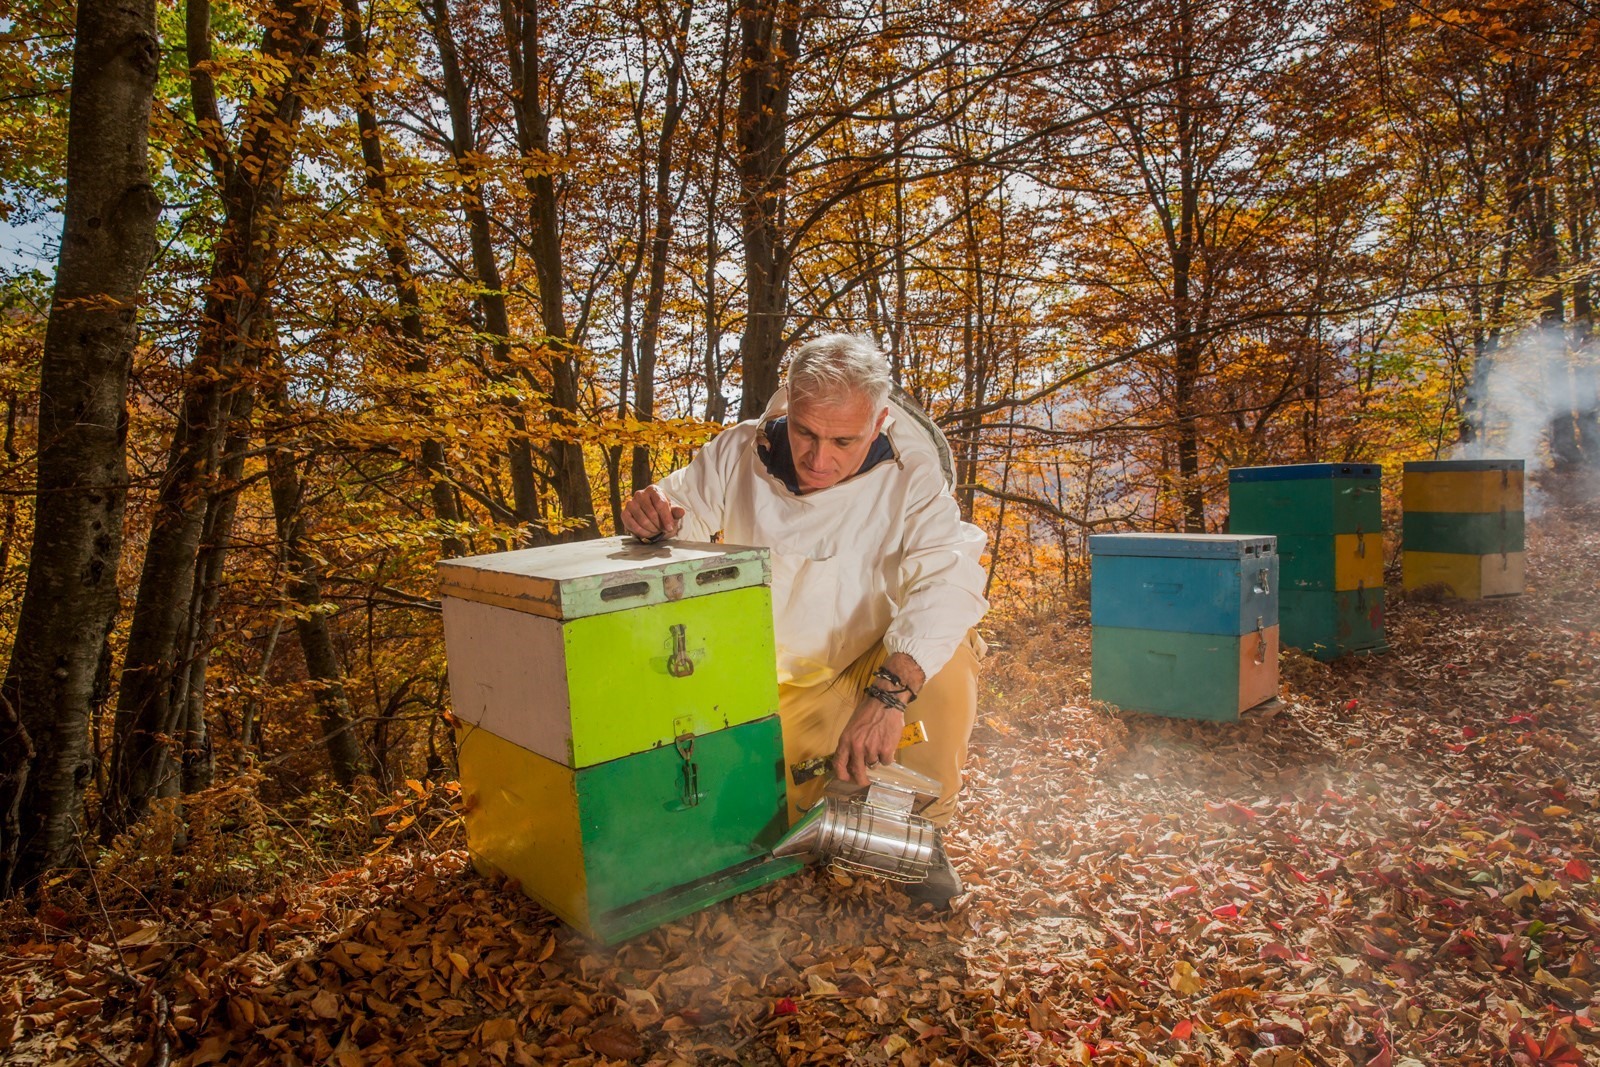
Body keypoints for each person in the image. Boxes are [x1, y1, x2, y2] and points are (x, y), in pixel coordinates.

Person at [620, 334, 988, 908]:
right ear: (788, 407)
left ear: (880, 421)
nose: (820, 459)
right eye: (806, 433)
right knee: (756, 818)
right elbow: (677, 514)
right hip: (772, 683)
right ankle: (829, 810)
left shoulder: (913, 473)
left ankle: (921, 837)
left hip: (869, 670)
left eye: (844, 440)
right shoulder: (737, 452)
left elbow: (951, 577)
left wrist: (890, 695)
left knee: (946, 657)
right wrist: (652, 515)